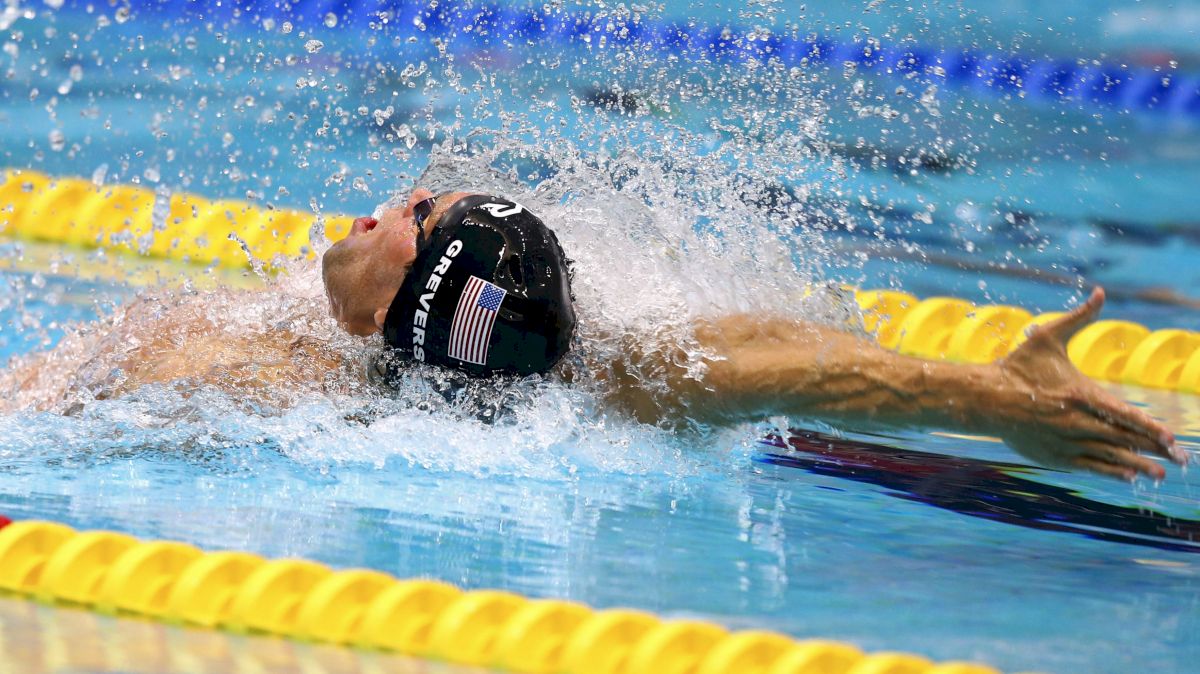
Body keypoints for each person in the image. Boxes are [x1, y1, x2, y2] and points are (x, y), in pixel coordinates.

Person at [2, 188, 1186, 482]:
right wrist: (1001, 396)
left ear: (383, 315)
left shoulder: (233, 364)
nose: (401, 198)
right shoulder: (617, 364)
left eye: (416, 220)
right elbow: (836, 370)